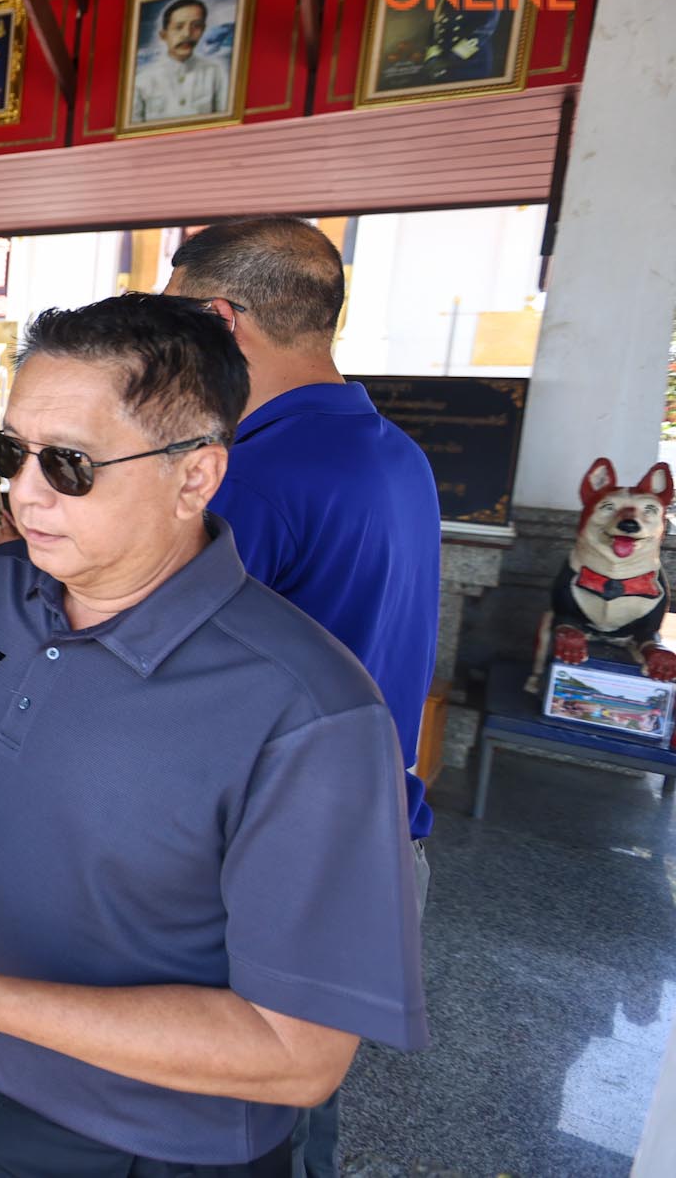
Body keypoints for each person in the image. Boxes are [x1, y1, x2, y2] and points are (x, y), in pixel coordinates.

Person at [0, 294, 426, 1178]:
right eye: (8, 452)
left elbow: (297, 1053)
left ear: (196, 476)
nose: (22, 491)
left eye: (68, 464)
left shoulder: (308, 709)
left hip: (159, 1145)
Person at [164, 217, 441, 1177]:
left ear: (217, 317)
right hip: (376, 832)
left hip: (266, 851)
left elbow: (160, 669)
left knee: (236, 1118)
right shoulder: (393, 453)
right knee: (299, 1111)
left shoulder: (254, 473)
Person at [131, 0, 229, 124]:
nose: (187, 34)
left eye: (196, 26)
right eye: (178, 27)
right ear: (163, 35)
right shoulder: (143, 80)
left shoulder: (215, 72)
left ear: (203, 30)